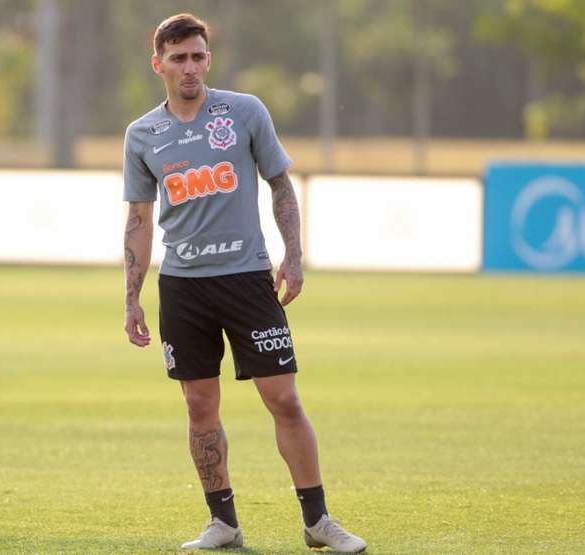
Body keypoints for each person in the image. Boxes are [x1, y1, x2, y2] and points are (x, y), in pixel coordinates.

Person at [122, 13, 366, 553]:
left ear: (209, 58)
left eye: (198, 56)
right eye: (179, 57)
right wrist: (131, 297)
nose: (190, 67)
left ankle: (318, 521)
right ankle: (223, 524)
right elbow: (139, 220)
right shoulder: (142, 134)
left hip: (247, 279)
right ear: (158, 63)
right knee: (198, 407)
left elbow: (281, 185)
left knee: (284, 398)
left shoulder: (244, 111)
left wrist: (294, 256)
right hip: (183, 287)